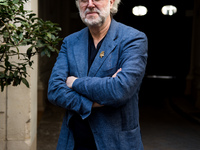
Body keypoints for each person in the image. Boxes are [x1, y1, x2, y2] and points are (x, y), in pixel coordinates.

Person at [48, 0, 148, 149]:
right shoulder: (70, 42)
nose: (90, 4)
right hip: (74, 142)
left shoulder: (133, 39)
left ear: (111, 2)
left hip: (117, 144)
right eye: (83, 0)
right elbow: (54, 90)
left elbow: (119, 90)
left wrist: (74, 83)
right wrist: (93, 103)